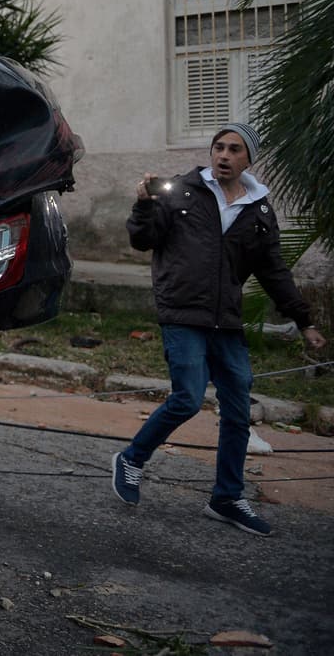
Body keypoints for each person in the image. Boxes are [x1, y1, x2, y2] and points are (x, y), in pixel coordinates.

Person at [111, 122, 326, 536]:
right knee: (188, 399)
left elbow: (274, 271)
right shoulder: (182, 191)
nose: (224, 155)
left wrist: (304, 321)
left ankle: (226, 497)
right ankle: (132, 459)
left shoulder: (259, 211)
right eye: (219, 147)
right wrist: (143, 206)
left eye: (234, 149)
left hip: (225, 320)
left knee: (238, 410)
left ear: (248, 159)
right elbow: (143, 240)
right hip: (182, 312)